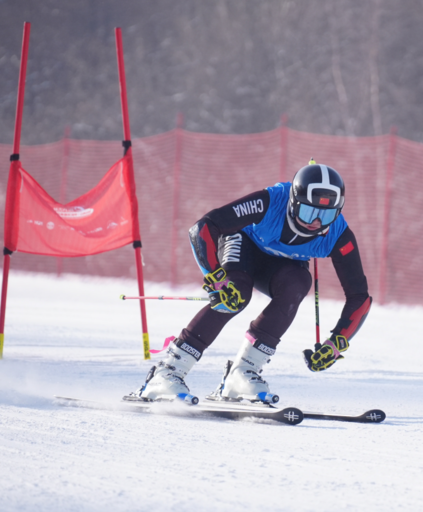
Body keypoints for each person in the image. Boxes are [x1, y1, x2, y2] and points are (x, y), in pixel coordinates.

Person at [127, 163, 372, 403]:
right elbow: (204, 227)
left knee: (297, 284)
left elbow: (359, 296)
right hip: (244, 246)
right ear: (293, 201)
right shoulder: (271, 200)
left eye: (327, 214)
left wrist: (338, 342)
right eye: (309, 211)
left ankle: (243, 373)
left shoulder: (339, 234)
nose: (316, 222)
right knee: (236, 294)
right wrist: (216, 279)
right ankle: (167, 371)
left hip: (282, 266)